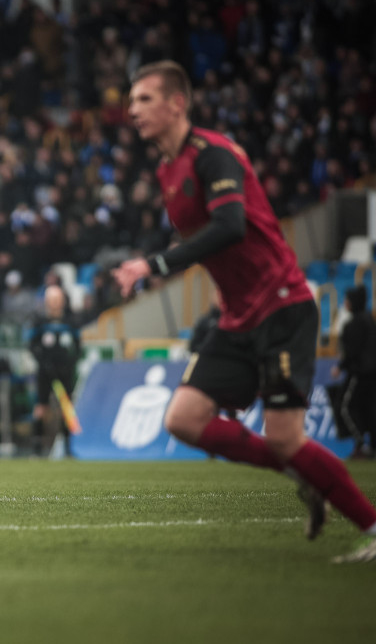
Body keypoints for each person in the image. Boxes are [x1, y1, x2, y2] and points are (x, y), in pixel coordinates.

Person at [113, 60, 376, 563]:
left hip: (281, 306)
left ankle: (368, 521)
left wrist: (156, 264)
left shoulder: (214, 155)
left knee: (284, 437)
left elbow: (231, 225)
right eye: (131, 100)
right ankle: (303, 473)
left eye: (144, 99)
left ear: (177, 103)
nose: (133, 109)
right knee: (184, 419)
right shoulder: (168, 171)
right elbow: (214, 244)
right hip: (237, 316)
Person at [30, 285, 81, 457]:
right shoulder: (40, 321)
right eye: (51, 299)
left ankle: (67, 446)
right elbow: (32, 345)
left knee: (66, 407)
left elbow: (78, 347)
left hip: (65, 372)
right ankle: (37, 446)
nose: (54, 303)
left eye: (57, 299)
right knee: (41, 407)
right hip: (45, 372)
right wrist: (42, 362)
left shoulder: (70, 321)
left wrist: (70, 363)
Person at [331, 286, 376, 459]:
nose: (345, 303)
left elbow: (352, 352)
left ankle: (360, 444)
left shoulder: (354, 324)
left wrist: (340, 367)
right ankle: (372, 446)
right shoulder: (370, 320)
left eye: (347, 299)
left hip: (360, 372)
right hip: (371, 373)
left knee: (344, 405)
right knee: (369, 408)